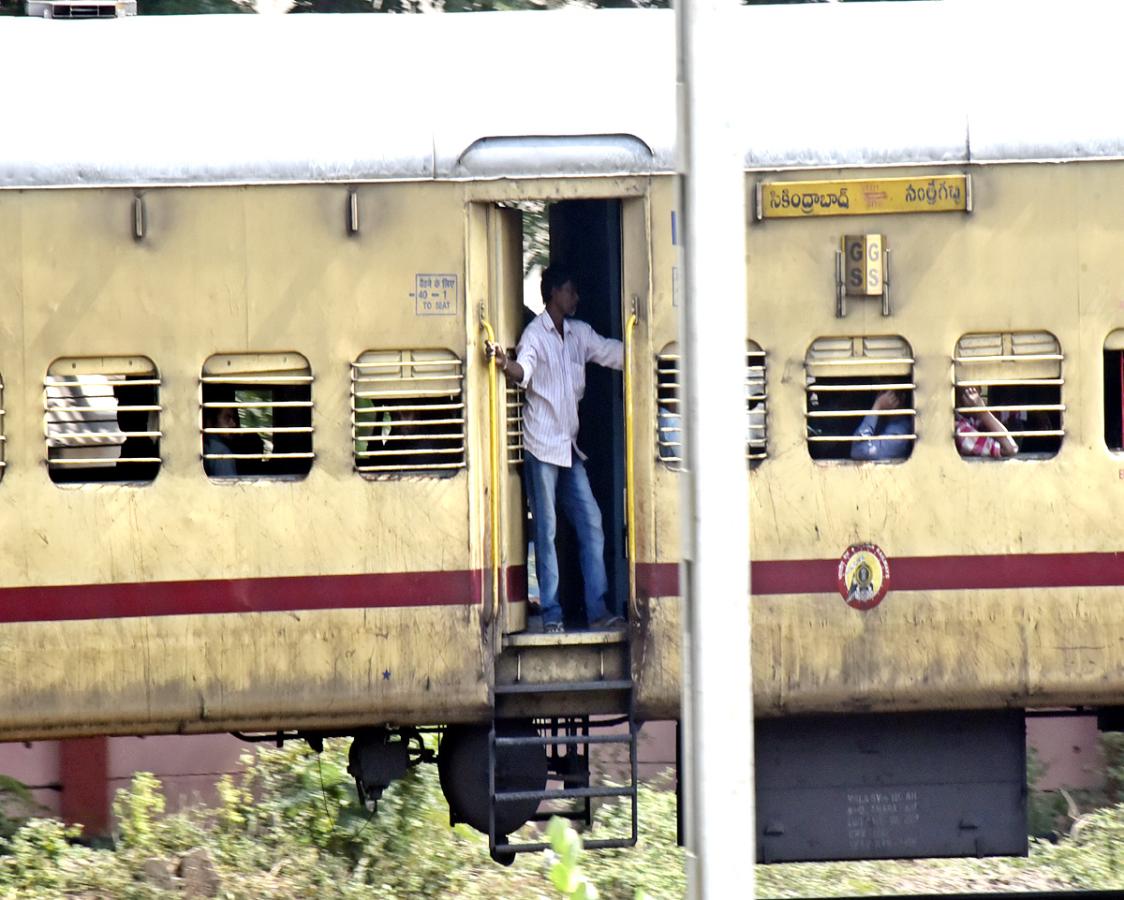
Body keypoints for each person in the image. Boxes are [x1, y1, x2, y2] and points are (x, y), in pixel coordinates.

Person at [488, 265, 624, 634]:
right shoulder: (535, 335)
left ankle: (598, 609)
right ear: (554, 294)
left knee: (592, 525)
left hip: (568, 448)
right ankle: (552, 613)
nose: (576, 298)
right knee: (546, 532)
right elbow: (523, 372)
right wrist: (505, 364)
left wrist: (650, 344)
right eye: (570, 291)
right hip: (542, 448)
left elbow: (612, 352)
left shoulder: (579, 334)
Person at [955, 386, 1019, 458]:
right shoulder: (961, 430)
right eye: (972, 393)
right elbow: (1010, 448)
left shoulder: (971, 419)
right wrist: (983, 412)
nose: (980, 399)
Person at [851, 390, 913, 461]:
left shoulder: (900, 434)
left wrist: (877, 406)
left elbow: (858, 451)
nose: (880, 397)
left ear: (902, 397)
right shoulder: (880, 420)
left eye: (885, 392)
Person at [203, 405, 240, 477]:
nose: (233, 424)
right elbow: (229, 486)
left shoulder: (204, 446)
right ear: (210, 422)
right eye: (227, 418)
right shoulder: (222, 453)